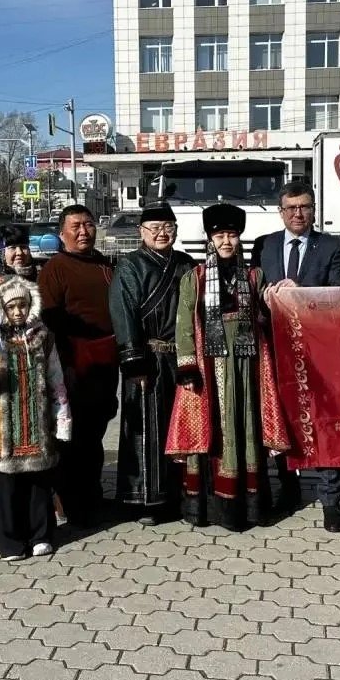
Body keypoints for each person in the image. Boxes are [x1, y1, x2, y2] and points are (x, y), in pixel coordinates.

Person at [168, 203, 292, 531]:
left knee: (246, 427)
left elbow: (265, 315)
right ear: (210, 239)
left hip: (247, 366)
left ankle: (248, 506)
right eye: (220, 235)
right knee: (213, 431)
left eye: (232, 235)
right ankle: (211, 508)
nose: (226, 241)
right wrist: (187, 365)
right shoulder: (193, 278)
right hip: (209, 370)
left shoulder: (254, 275)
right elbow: (183, 324)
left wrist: (279, 297)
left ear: (240, 239)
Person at [249, 182, 340, 521]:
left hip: (316, 349)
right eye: (291, 208)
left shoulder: (332, 246)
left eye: (305, 207)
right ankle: (289, 489)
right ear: (281, 211)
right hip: (275, 348)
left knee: (323, 422)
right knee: (280, 420)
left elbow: (339, 292)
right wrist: (262, 296)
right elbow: (253, 286)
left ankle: (330, 498)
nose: (298, 213)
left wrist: (301, 293)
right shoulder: (264, 245)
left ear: (313, 210)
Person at [0, 276, 72, 560]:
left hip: (36, 422)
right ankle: (10, 541)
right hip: (2, 425)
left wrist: (61, 418)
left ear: (32, 306)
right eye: (11, 306)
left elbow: (56, 378)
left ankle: (41, 534)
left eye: (22, 306)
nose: (17, 312)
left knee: (38, 481)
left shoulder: (44, 337)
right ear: (2, 308)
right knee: (6, 484)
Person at [108, 202, 196, 525]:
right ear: (141, 232)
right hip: (147, 359)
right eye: (154, 228)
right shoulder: (130, 266)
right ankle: (146, 499)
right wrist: (134, 363)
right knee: (147, 429)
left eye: (168, 228)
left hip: (180, 356)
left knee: (182, 427)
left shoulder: (186, 264)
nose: (162, 233)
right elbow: (124, 313)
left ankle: (184, 494)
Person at [37, 204, 118, 527]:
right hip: (71, 363)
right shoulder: (55, 267)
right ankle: (69, 501)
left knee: (96, 432)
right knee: (72, 436)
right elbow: (48, 318)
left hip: (105, 361)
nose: (83, 231)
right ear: (62, 233)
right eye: (75, 226)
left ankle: (92, 493)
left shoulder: (104, 265)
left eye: (88, 224)